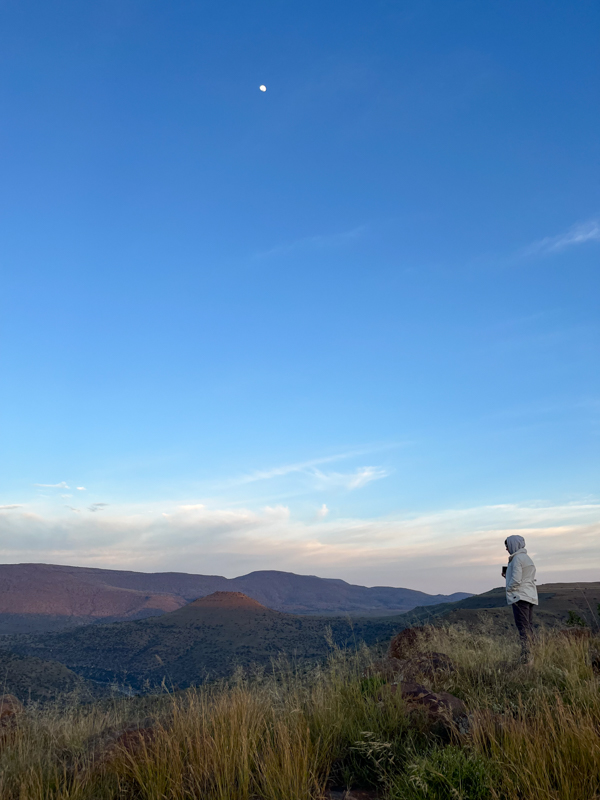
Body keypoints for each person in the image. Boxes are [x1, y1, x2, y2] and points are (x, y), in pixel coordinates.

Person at [503, 535, 538, 661]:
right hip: (530, 595)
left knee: (523, 626)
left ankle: (527, 655)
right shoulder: (527, 558)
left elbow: (517, 579)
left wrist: (509, 589)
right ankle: (534, 652)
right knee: (528, 625)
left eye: (507, 545)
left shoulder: (517, 559)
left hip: (520, 596)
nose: (507, 549)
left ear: (513, 545)